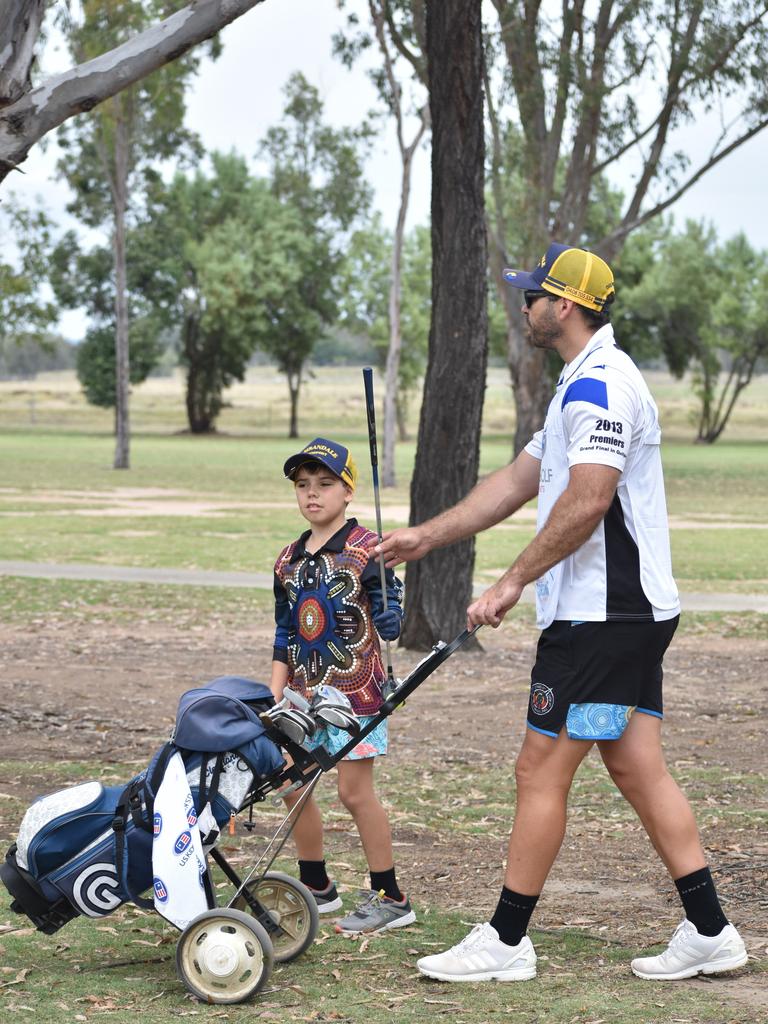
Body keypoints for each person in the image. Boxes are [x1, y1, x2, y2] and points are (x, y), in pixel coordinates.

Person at [374, 244, 747, 982]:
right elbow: (518, 480)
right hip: (623, 614)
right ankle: (711, 931)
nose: (523, 307)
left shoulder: (601, 388)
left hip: (603, 616)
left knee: (538, 769)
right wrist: (426, 536)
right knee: (638, 766)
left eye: (532, 296)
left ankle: (507, 941)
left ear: (565, 306)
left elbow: (588, 499)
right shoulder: (580, 384)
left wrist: (511, 582)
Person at [271, 436, 416, 935]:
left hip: (357, 694)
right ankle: (317, 887)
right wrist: (276, 688)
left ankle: (390, 896)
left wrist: (392, 611)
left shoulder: (367, 550)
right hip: (302, 696)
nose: (313, 494)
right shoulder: (287, 559)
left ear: (349, 491)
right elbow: (285, 630)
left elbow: (389, 614)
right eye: (303, 485)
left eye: (326, 484)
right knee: (292, 784)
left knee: (355, 794)